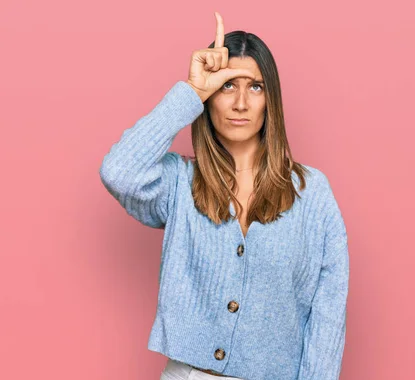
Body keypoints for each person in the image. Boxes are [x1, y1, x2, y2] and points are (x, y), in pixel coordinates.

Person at [99, 11, 349, 380]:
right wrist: (190, 92)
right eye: (228, 86)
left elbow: (328, 313)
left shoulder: (312, 194)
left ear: (271, 101)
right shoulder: (180, 182)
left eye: (256, 87)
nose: (241, 103)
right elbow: (118, 172)